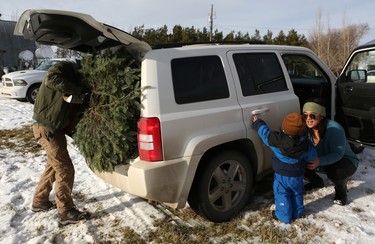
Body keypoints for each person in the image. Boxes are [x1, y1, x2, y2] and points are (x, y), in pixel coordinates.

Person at [31, 60, 90, 225]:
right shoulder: (62, 68)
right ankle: (65, 211)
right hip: (47, 128)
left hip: (53, 129)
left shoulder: (69, 78)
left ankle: (39, 201)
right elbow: (52, 78)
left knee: (53, 165)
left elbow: (67, 101)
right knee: (64, 168)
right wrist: (79, 89)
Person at [252, 112, 318, 224]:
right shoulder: (305, 144)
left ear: (283, 127)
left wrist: (258, 122)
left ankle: (283, 216)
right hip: (297, 175)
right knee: (297, 193)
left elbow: (264, 134)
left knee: (282, 194)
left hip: (281, 176)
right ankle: (297, 213)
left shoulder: (276, 140)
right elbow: (312, 156)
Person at [303, 100, 359, 206]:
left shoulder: (334, 129)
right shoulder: (306, 128)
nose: (308, 118)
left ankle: (341, 192)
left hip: (344, 160)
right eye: (305, 115)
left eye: (313, 115)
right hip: (320, 160)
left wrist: (319, 161)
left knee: (336, 170)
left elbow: (338, 154)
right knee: (298, 160)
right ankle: (316, 182)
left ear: (321, 116)